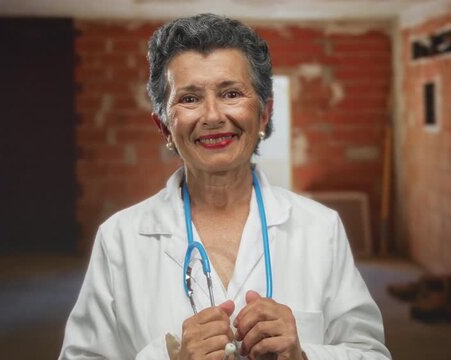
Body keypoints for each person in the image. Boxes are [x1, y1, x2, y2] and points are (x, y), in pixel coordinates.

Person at [59, 13, 391, 360]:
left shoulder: (320, 228)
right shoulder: (119, 240)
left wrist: (303, 355)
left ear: (264, 114)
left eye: (231, 93)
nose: (213, 116)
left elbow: (372, 353)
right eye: (189, 98)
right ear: (164, 127)